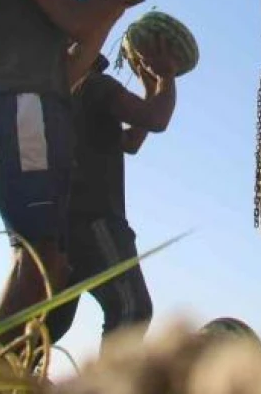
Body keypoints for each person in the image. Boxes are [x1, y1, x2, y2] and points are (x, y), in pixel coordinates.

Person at [0, 0, 171, 350]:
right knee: (41, 261)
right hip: (23, 112)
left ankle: (9, 373)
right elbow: (77, 19)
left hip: (35, 111)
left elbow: (74, 66)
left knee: (50, 267)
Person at [42, 38, 180, 354]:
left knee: (48, 326)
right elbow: (157, 119)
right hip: (95, 220)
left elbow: (130, 141)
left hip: (64, 227)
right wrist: (167, 77)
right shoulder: (96, 86)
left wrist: (150, 92)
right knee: (132, 310)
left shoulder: (65, 93)